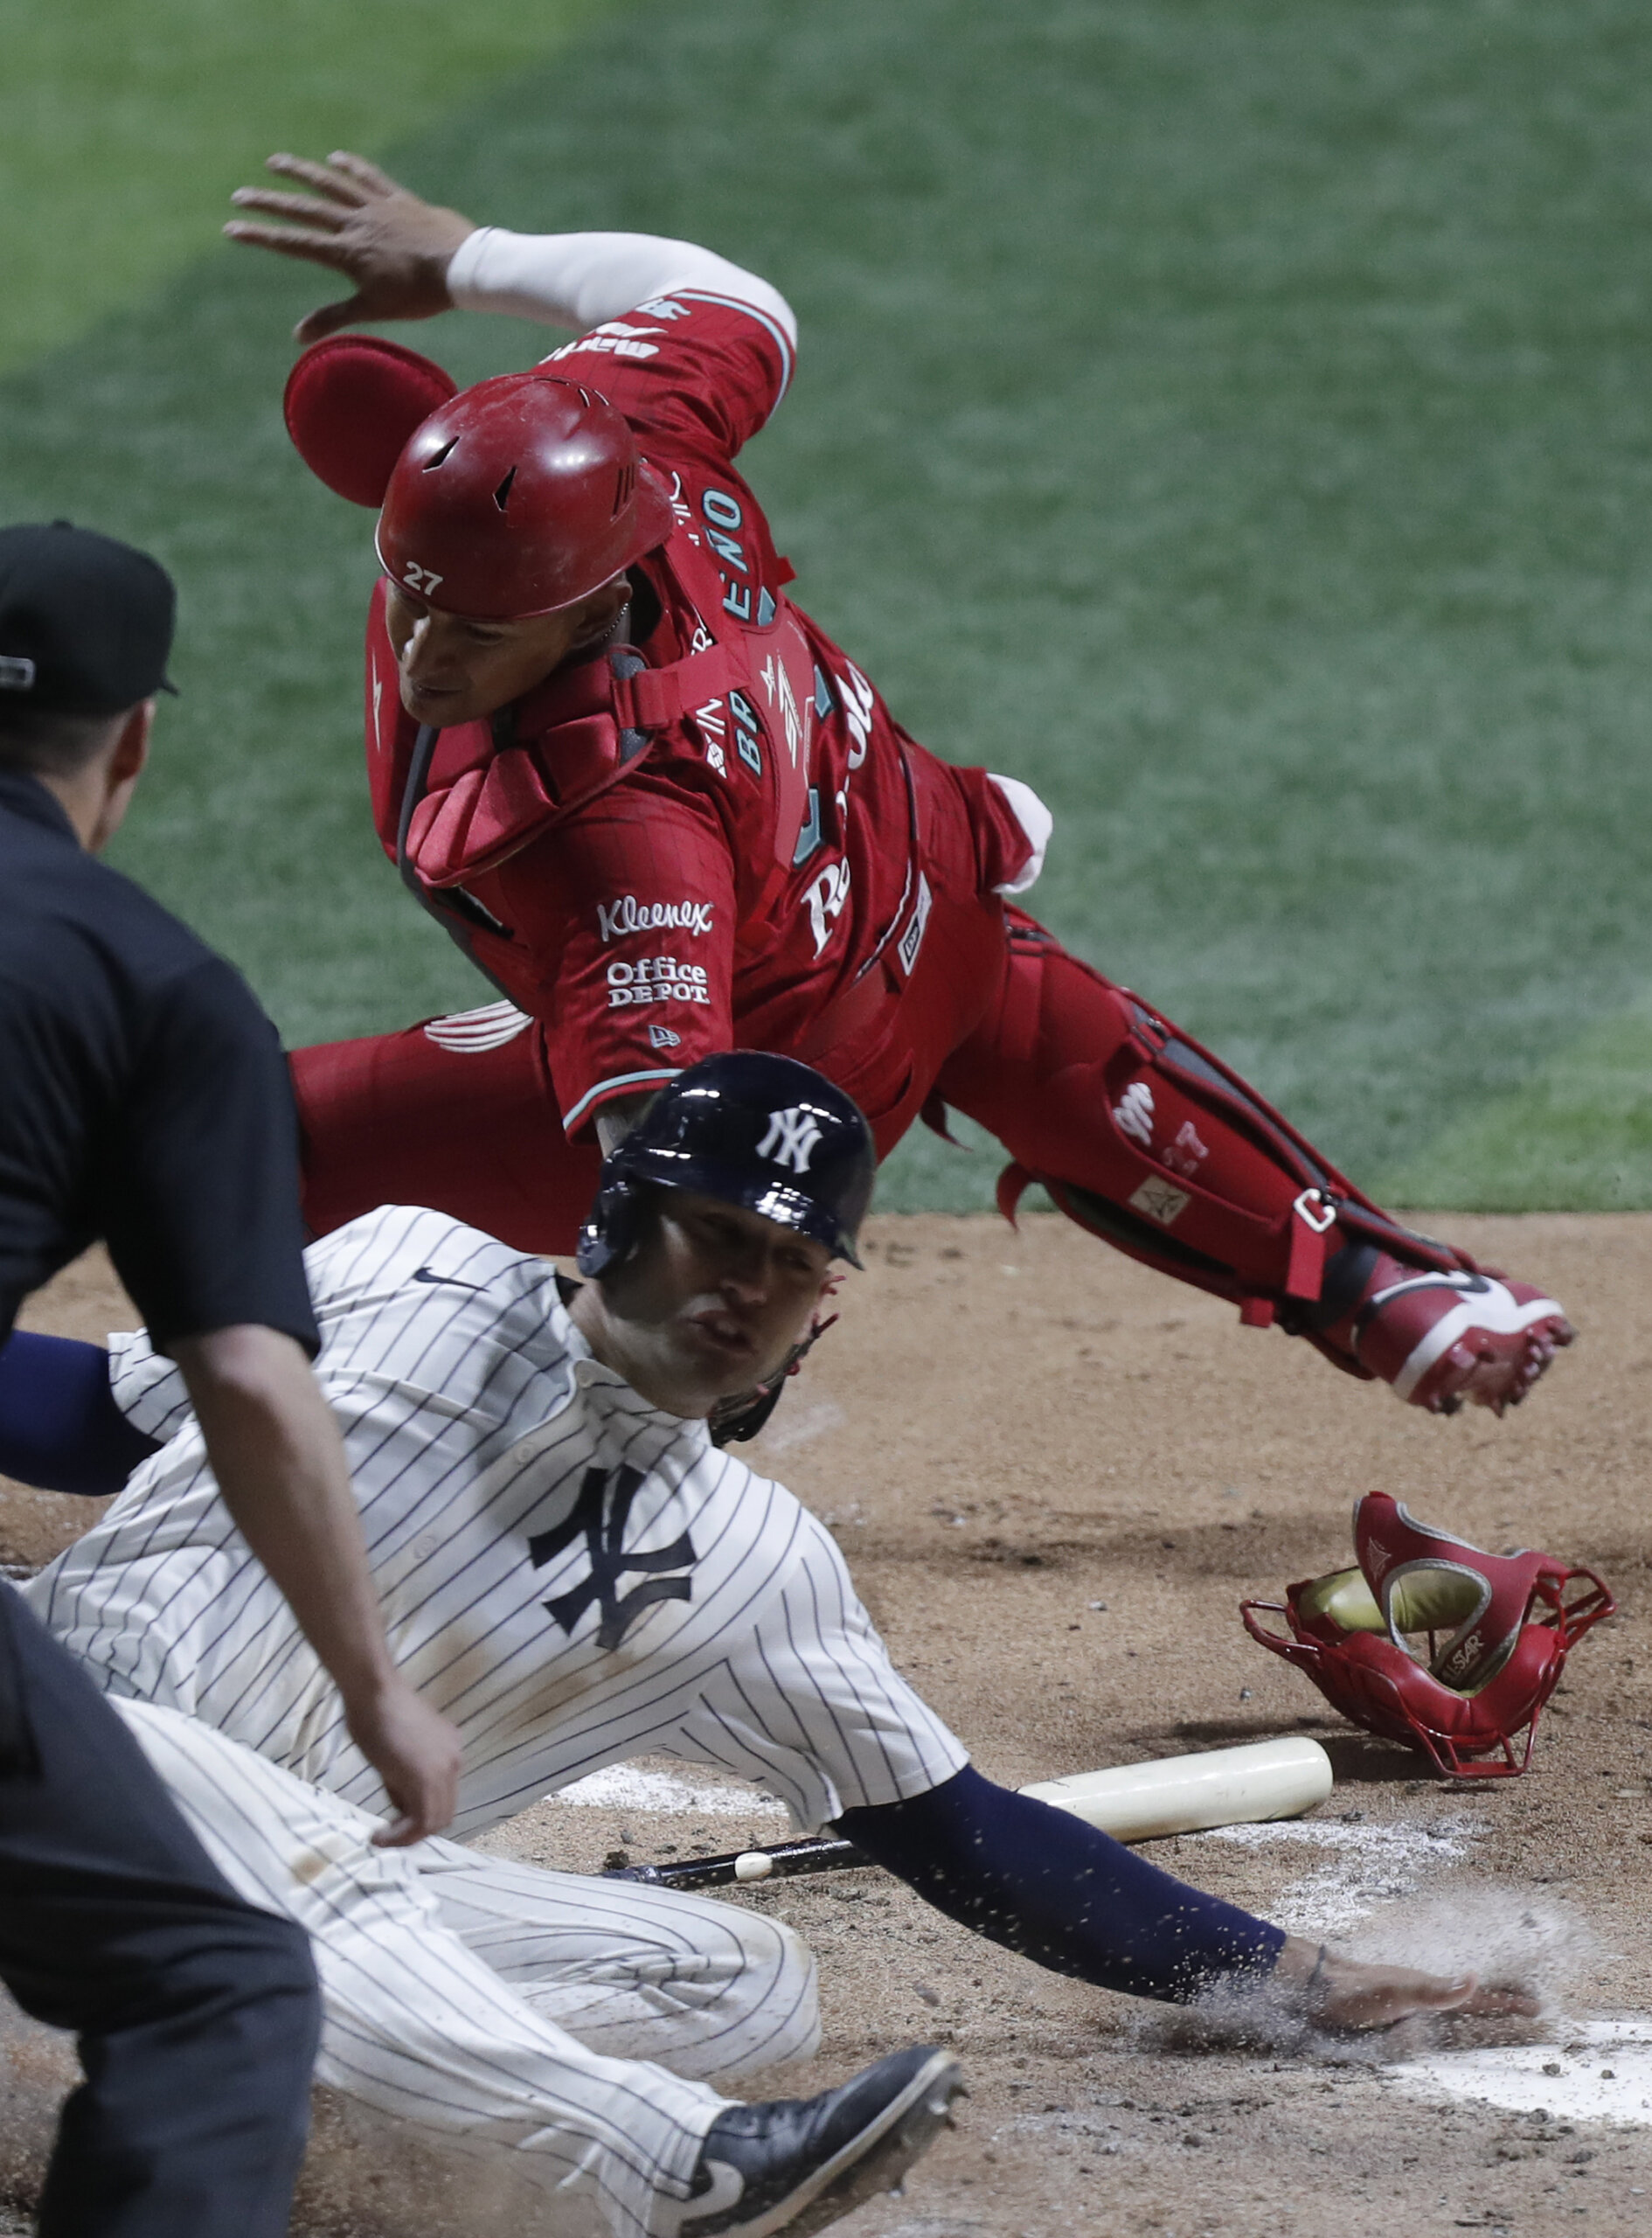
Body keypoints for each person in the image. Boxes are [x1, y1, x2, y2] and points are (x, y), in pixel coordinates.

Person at [4, 1056, 1529, 2238]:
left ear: (824, 1312)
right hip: (50, 1773)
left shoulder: (751, 1571)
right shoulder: (400, 1272)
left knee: (742, 1984)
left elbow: (965, 1835)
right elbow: (94, 1417)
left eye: (792, 1264)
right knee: (182, 1784)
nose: (745, 1291)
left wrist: (1289, 1974)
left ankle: (179, 2091)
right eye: (714, 1237)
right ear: (612, 1221)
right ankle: (661, 2161)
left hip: (230, 1925)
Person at [214, 150, 1575, 1431]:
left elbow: (667, 1115)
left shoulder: (613, 828)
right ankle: (1387, 1288)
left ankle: (563, 1503)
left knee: (235, 1139)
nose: (428, 654)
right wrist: (469, 255)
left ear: (583, 612)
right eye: (412, 600)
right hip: (919, 882)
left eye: (477, 632)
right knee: (1004, 1009)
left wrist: (716, 1301)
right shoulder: (627, 445)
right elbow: (726, 298)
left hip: (788, 1063)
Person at [0, 519, 462, 2235]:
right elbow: (249, 1378)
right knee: (217, 1982)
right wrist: (374, 1686)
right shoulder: (155, 983)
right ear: (135, 738)